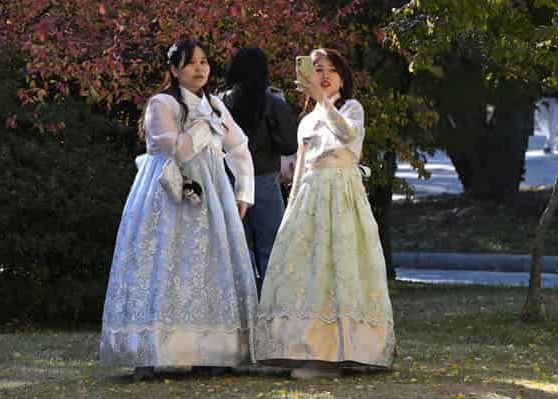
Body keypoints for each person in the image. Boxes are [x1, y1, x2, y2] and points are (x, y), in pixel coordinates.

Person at [99, 39, 259, 379]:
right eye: (190, 63)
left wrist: (244, 191)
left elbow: (239, 147)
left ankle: (213, 350)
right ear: (174, 69)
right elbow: (173, 148)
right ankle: (151, 349)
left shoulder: (214, 104)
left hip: (212, 196)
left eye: (204, 61)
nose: (200, 68)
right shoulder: (162, 103)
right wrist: (202, 125)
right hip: (168, 196)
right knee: (163, 264)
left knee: (210, 266)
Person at [252, 48, 395, 380]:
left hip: (342, 196)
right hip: (311, 199)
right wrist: (292, 208)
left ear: (343, 79)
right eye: (317, 69)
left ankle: (339, 354)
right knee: (308, 272)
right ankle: (308, 350)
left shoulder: (352, 110)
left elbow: (348, 136)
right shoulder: (306, 121)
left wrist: (323, 100)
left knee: (340, 267)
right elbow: (301, 168)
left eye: (332, 70)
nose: (325, 75)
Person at [221, 46, 300, 289]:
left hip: (229, 181)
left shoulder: (221, 102)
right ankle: (271, 309)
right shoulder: (273, 103)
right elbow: (288, 144)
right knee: (272, 249)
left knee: (237, 251)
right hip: (264, 180)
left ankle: (242, 306)